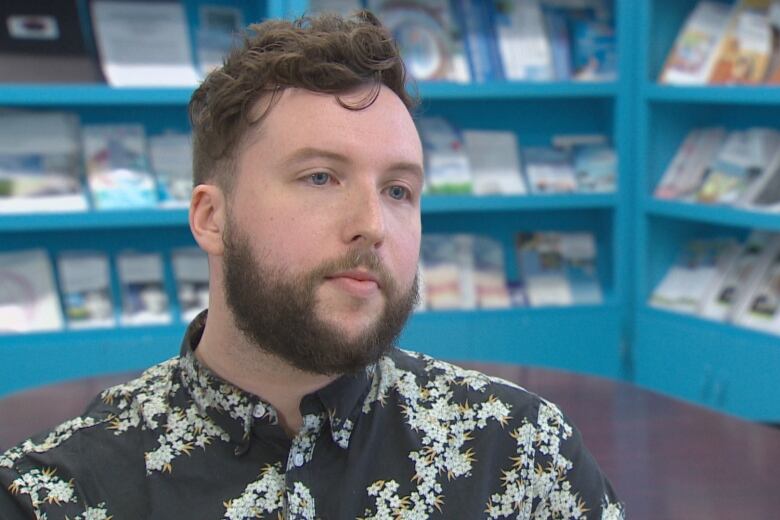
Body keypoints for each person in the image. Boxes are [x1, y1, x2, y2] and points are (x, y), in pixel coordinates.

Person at [0, 11, 624, 519]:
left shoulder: (520, 455)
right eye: (320, 176)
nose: (372, 224)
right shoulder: (57, 495)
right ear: (212, 218)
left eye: (399, 190)